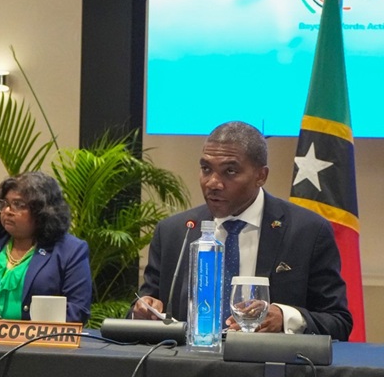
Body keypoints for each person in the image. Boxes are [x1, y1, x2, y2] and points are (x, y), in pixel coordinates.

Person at [132, 121, 352, 340]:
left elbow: (338, 322)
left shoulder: (307, 231)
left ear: (261, 176)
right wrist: (143, 310)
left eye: (230, 171)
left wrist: (284, 317)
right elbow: (143, 308)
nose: (213, 183)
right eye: (206, 169)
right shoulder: (175, 232)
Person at [0, 172, 92, 324]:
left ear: (43, 211)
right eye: (5, 204)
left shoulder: (70, 250)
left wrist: (25, 330)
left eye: (18, 205)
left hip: (33, 343)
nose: (7, 211)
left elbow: (78, 310)